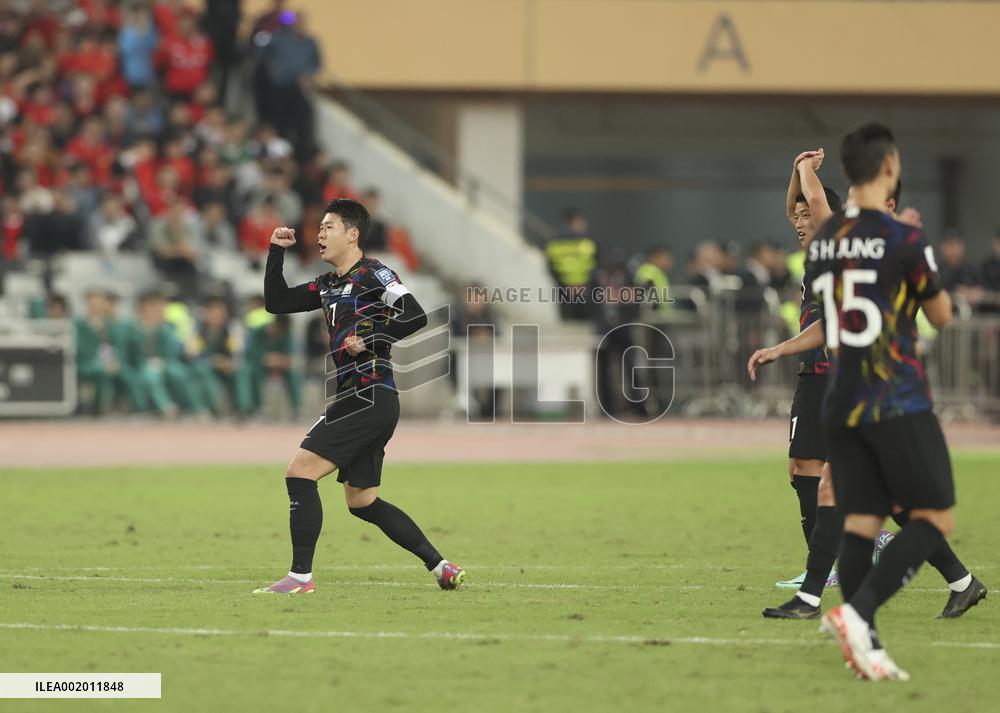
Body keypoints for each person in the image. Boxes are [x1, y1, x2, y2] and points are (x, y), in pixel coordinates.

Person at [749, 123, 986, 680]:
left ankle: (853, 629)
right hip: (897, 393)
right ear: (889, 169)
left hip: (844, 395)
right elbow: (943, 317)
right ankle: (856, 612)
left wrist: (804, 169)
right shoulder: (904, 240)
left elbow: (829, 314)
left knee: (847, 505)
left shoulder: (829, 244)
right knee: (930, 515)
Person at [253, 198, 465, 594]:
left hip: (368, 395)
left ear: (353, 234)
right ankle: (441, 567)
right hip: (364, 398)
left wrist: (370, 338)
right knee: (363, 501)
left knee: (299, 472)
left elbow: (415, 315)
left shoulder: (375, 273)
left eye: (328, 226)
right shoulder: (328, 284)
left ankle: (300, 578)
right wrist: (275, 252)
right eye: (319, 227)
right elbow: (276, 302)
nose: (319, 233)